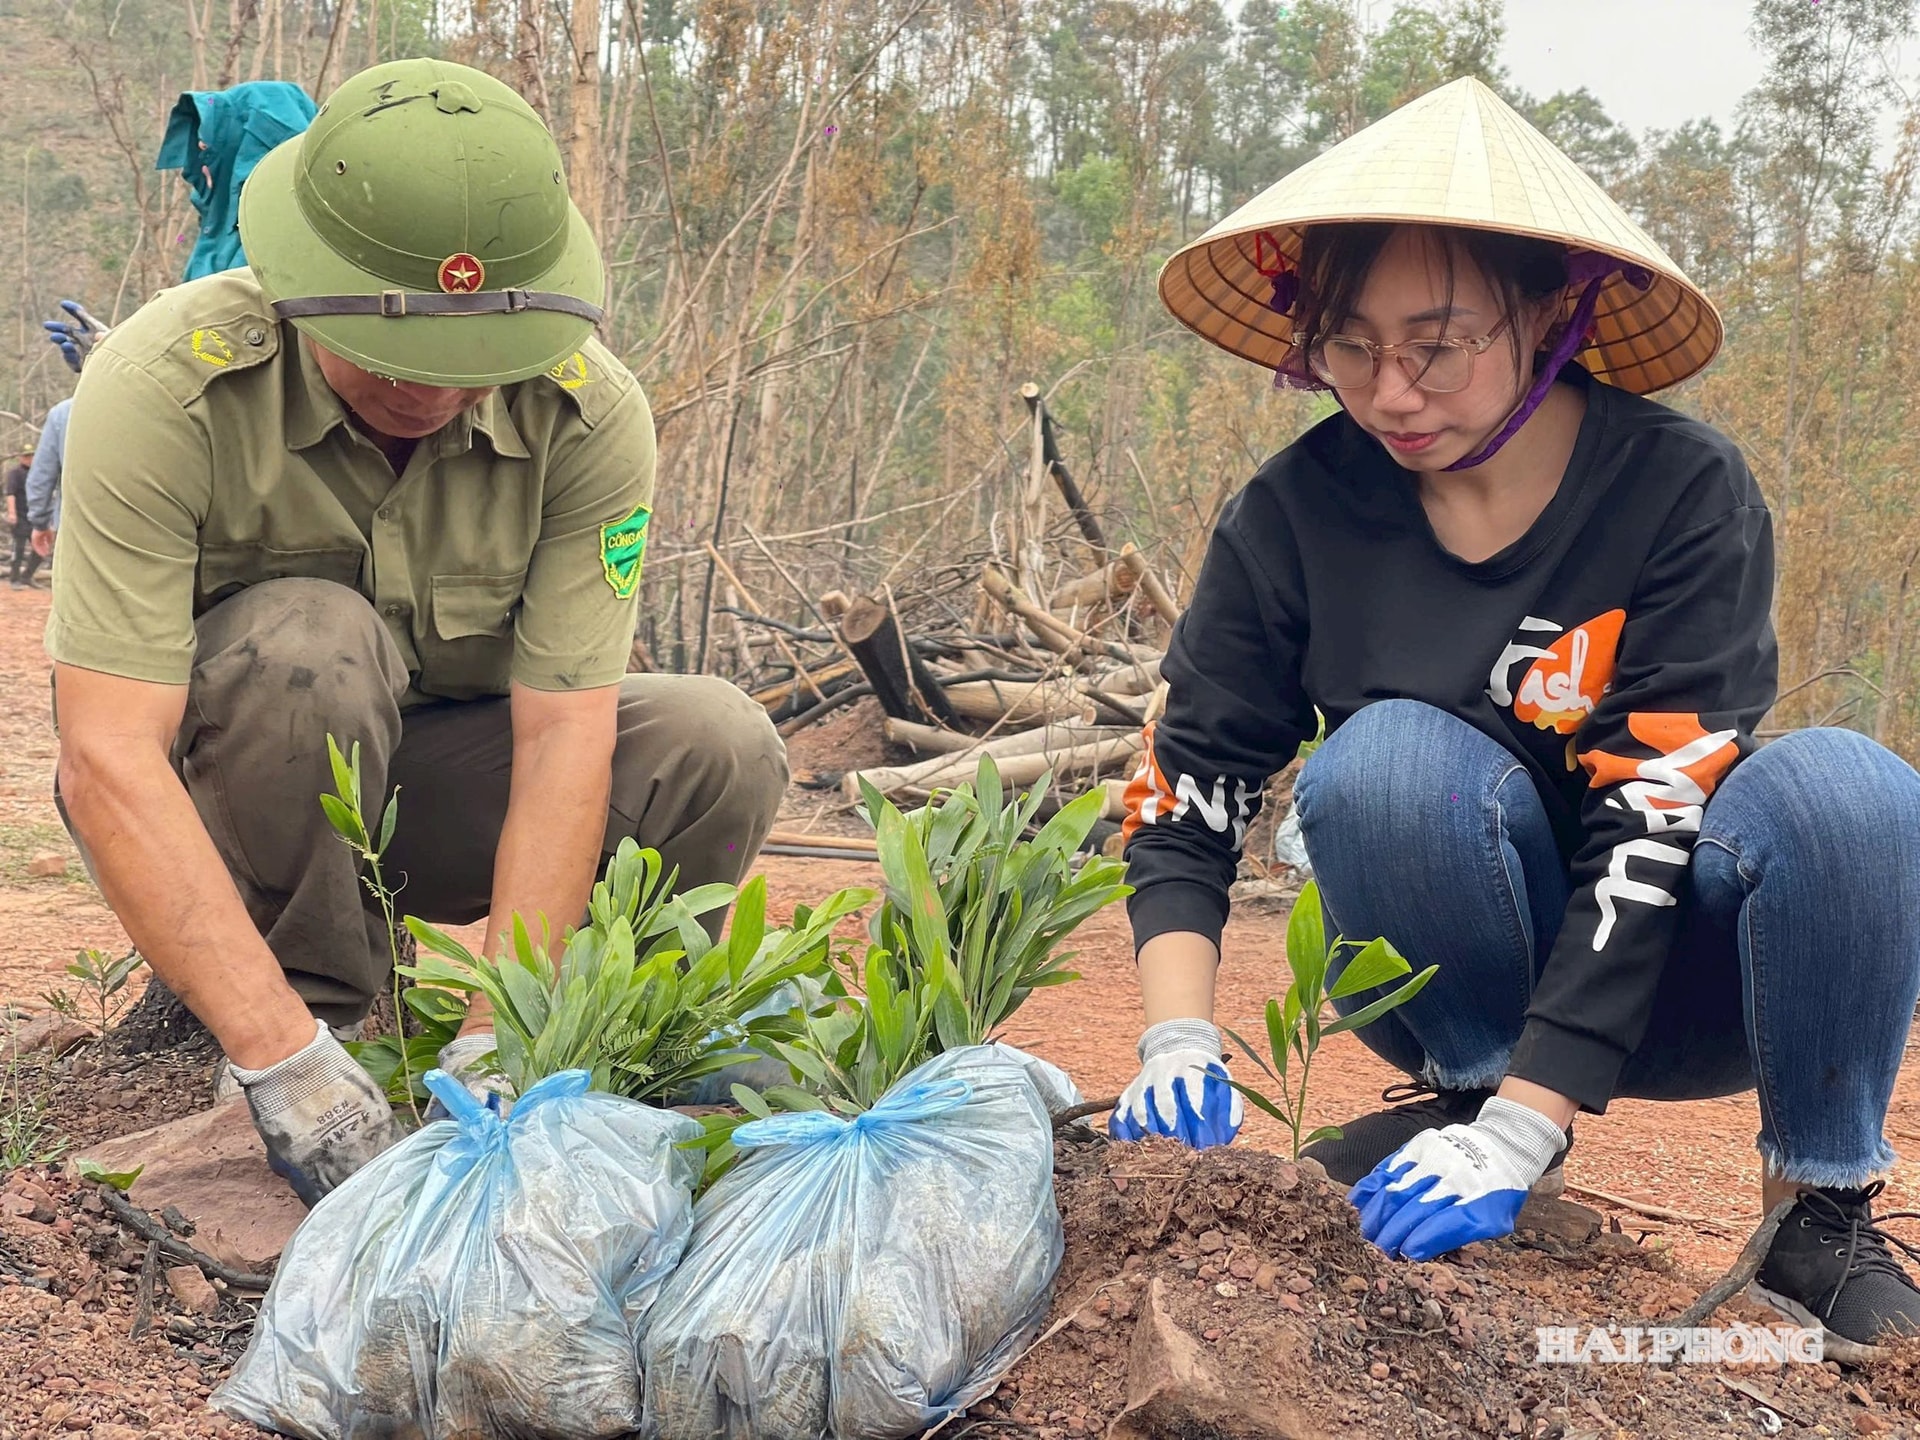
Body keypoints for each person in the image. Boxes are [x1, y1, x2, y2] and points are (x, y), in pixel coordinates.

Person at [1112, 76, 1920, 1352]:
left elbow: (1658, 808)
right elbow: (1192, 778)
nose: (1390, 392)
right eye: (1349, 346)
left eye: (1438, 344)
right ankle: (1463, 1102)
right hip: (1452, 960)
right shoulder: (1297, 512)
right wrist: (1173, 1033)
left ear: (1552, 315)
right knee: (1376, 762)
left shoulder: (1681, 492)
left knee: (1852, 790)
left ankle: (1812, 1214)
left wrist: (1534, 1120)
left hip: (1698, 976)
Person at [46, 57, 787, 1207]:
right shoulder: (165, 387)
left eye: (471, 362)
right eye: (397, 356)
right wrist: (283, 1058)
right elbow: (104, 756)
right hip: (223, 808)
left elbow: (561, 739)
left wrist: (508, 1026)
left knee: (717, 741)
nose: (435, 393)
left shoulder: (588, 417)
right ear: (301, 286)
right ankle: (319, 1030)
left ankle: (610, 1061)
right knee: (308, 640)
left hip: (437, 799)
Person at [25, 397, 68, 563]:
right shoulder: (149, 402)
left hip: (76, 525)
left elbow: (41, 477)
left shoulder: (63, 413)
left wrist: (40, 522)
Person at [6, 452, 38, 588]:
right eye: (26, 456)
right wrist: (12, 513)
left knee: (41, 548)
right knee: (18, 548)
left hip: (34, 516)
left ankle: (27, 576)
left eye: (31, 456)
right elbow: (10, 494)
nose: (29, 459)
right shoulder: (15, 473)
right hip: (20, 515)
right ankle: (14, 579)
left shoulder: (37, 472)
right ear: (20, 458)